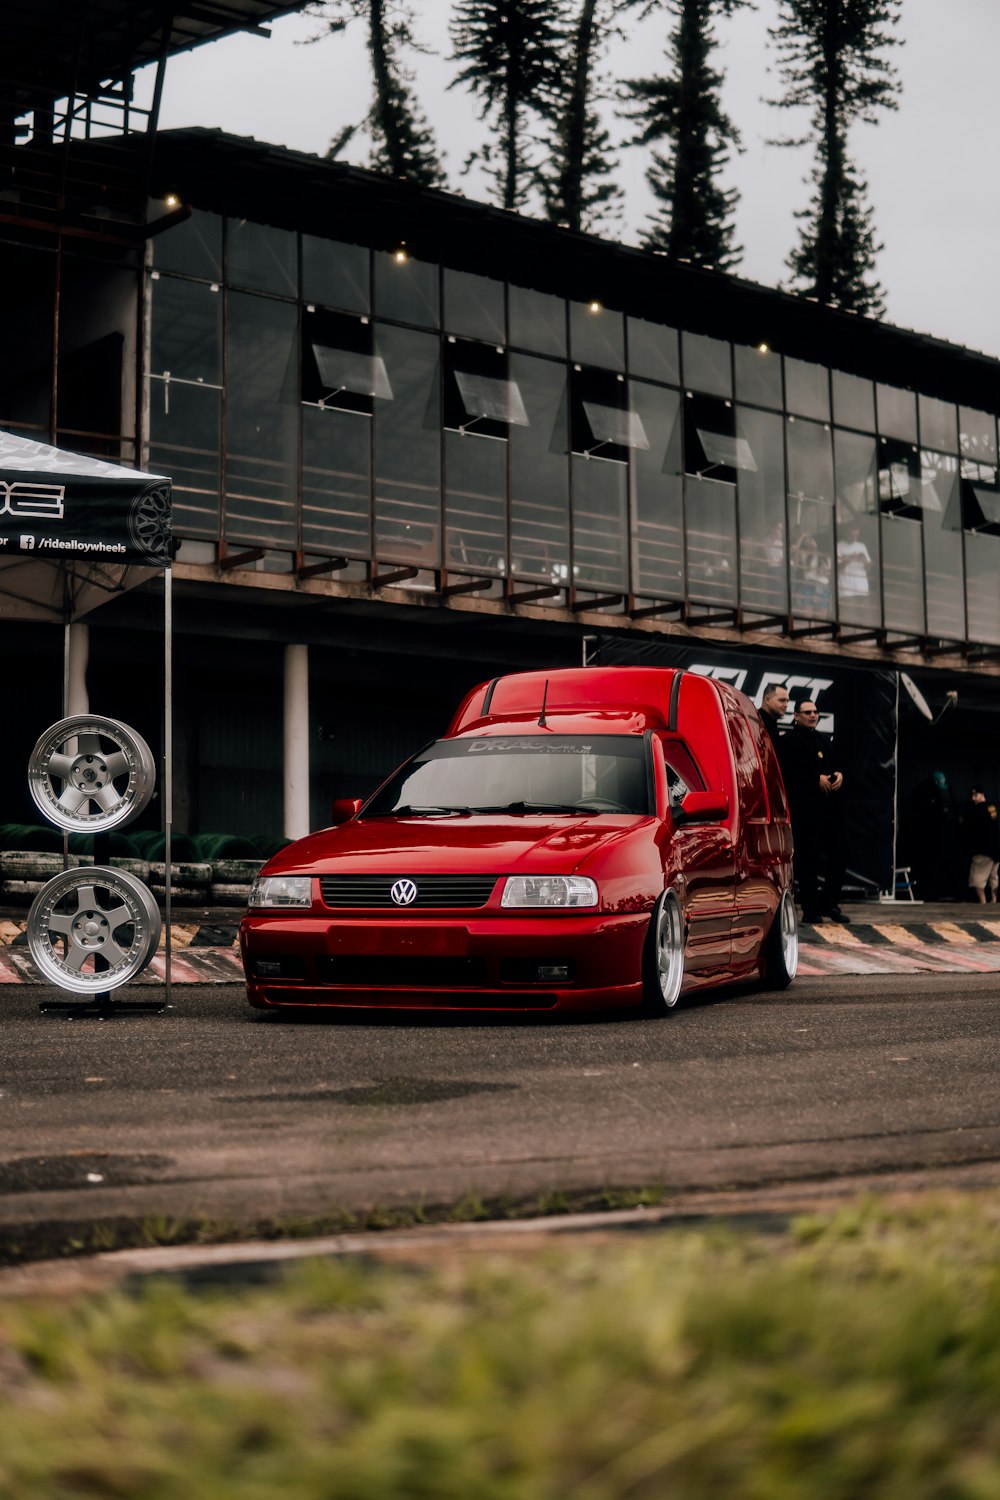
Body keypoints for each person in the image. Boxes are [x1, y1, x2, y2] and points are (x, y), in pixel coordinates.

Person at [777, 698, 849, 924]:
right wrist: (813, 780)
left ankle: (831, 904)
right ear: (796, 716)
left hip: (829, 809)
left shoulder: (823, 740)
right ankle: (811, 909)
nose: (813, 715)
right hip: (805, 811)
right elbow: (786, 775)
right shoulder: (788, 741)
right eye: (807, 712)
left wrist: (839, 775)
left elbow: (836, 764)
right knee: (808, 860)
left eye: (816, 711)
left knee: (840, 853)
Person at [963, 787, 999, 904]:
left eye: (975, 795)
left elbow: (971, 827)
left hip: (983, 849)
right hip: (995, 849)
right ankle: (994, 901)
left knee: (977, 878)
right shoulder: (992, 807)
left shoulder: (977, 810)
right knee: (993, 877)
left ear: (982, 794)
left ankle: (982, 903)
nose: (973, 798)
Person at [837, 522, 873, 600]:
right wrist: (849, 558)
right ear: (846, 533)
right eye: (852, 535)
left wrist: (865, 561)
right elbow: (837, 568)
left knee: (863, 611)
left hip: (862, 587)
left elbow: (868, 569)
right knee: (849, 611)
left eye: (856, 535)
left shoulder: (861, 546)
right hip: (846, 588)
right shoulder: (838, 546)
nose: (854, 538)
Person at [758, 682, 789, 748]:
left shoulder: (772, 723)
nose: (786, 705)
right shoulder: (755, 722)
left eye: (787, 701)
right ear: (768, 700)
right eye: (782, 700)